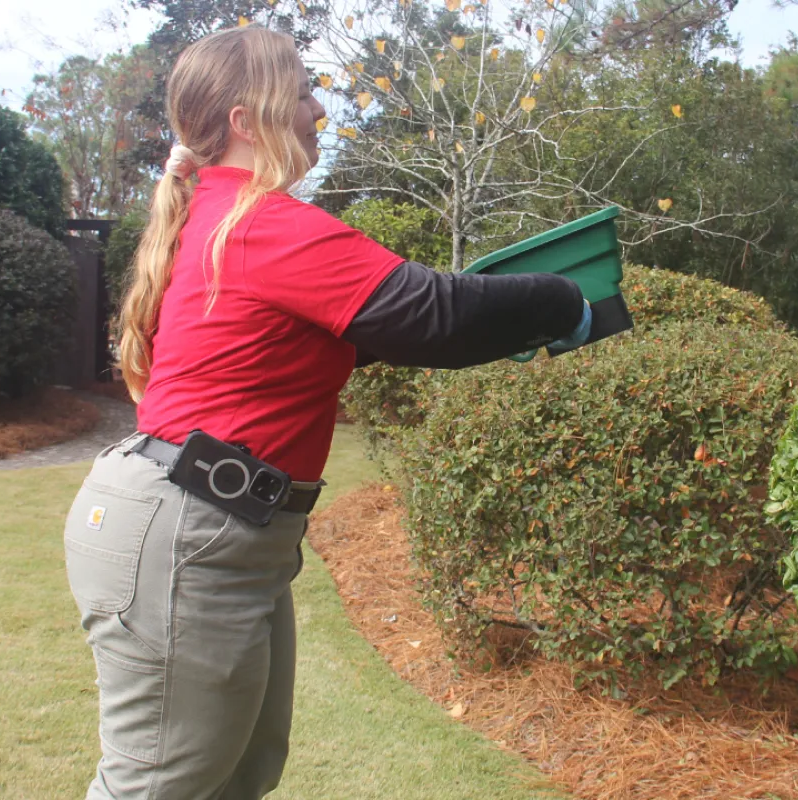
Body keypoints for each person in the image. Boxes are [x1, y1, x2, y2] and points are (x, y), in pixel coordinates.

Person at [62, 25, 590, 800]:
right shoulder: (261, 225)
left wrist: (518, 319)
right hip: (188, 535)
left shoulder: (214, 218)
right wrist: (561, 298)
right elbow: (434, 314)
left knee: (236, 777)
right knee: (159, 789)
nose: (319, 107)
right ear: (247, 120)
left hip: (214, 531)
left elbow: (358, 338)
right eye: (304, 89)